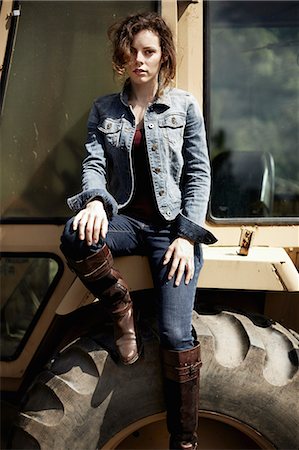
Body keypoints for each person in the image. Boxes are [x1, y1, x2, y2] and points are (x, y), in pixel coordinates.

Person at [60, 11, 216, 450]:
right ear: (122, 58)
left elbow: (199, 176)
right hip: (126, 218)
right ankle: (120, 307)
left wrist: (187, 235)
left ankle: (183, 440)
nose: (140, 60)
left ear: (163, 54)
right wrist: (94, 202)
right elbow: (93, 165)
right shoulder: (104, 109)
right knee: (74, 233)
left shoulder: (184, 105)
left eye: (149, 51)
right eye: (132, 52)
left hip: (171, 230)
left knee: (174, 333)